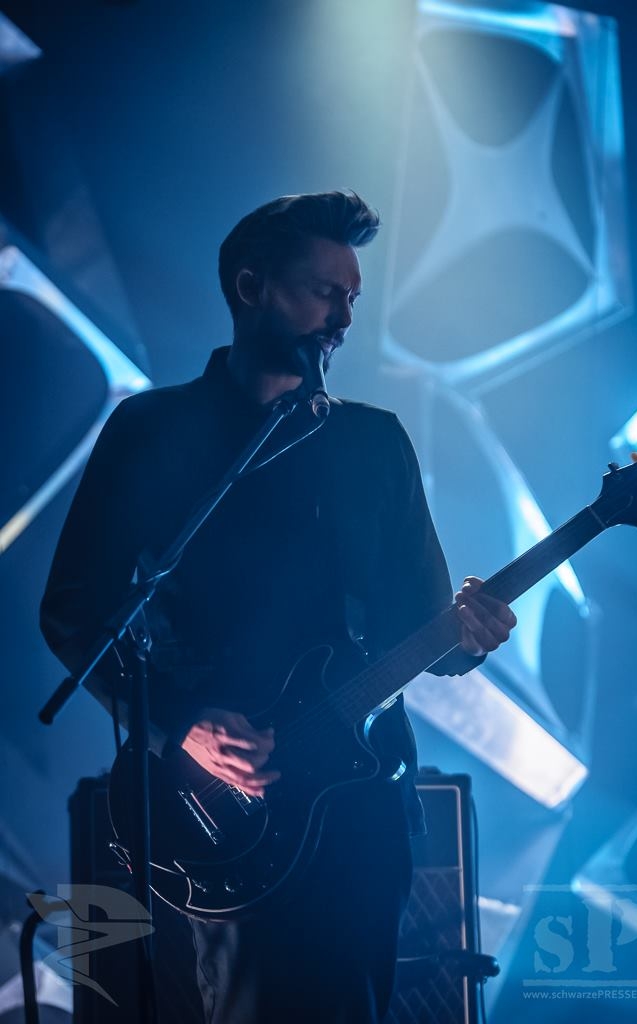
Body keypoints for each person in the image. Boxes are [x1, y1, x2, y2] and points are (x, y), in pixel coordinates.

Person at [40, 190, 516, 1023]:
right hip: (223, 806)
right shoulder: (150, 431)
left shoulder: (372, 442)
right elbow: (76, 609)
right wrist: (178, 725)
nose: (342, 319)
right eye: (324, 293)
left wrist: (471, 636)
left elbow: (422, 631)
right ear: (250, 286)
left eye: (352, 298)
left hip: (361, 798)